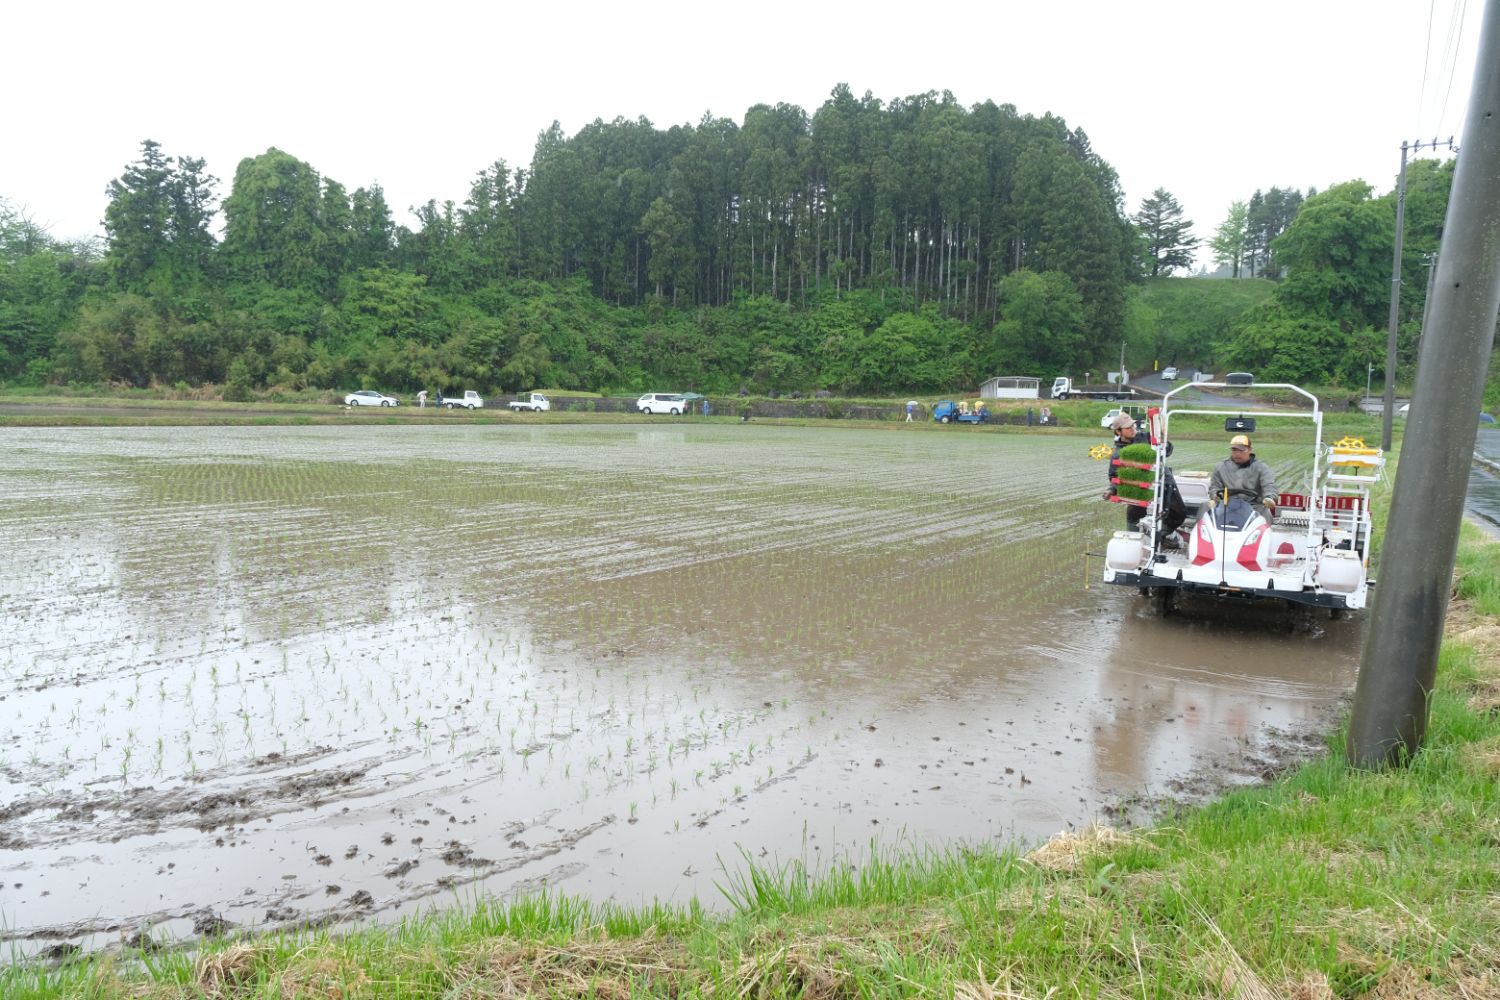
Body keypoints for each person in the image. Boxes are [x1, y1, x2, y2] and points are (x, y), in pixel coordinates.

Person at [1208, 434, 1278, 522]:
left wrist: (1269, 497)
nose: (1237, 453)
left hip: (1254, 506)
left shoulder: (1261, 467)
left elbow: (1269, 485)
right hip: (1227, 505)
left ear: (1250, 450)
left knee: (1265, 517)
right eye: (1234, 450)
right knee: (1206, 511)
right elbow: (1214, 486)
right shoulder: (1220, 467)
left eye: (1242, 450)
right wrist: (1215, 496)